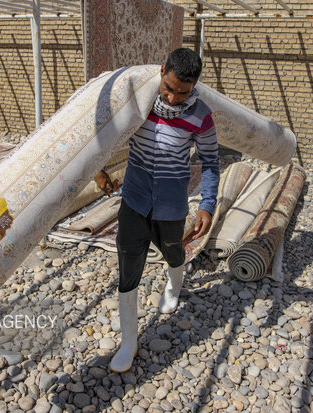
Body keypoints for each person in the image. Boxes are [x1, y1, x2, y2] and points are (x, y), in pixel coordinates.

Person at [95, 48, 219, 373]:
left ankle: (174, 285)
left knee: (174, 252)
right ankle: (129, 343)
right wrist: (100, 169)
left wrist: (207, 204)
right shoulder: (140, 103)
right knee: (128, 267)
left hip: (171, 206)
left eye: (183, 92)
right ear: (163, 71)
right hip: (134, 202)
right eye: (168, 87)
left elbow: (210, 163)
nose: (173, 97)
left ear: (194, 87)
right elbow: (103, 132)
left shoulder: (201, 115)